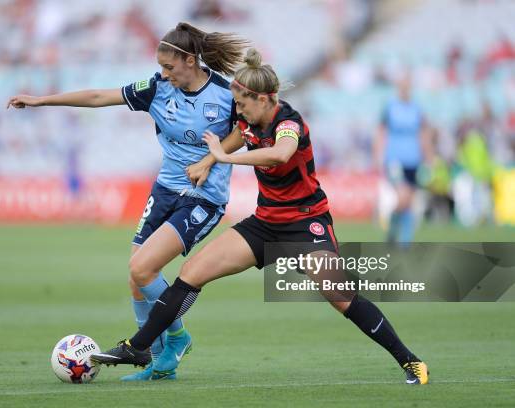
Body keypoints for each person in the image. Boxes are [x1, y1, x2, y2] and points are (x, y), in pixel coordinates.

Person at [91, 49, 430, 385]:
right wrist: (208, 162)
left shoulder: (289, 123)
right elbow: (234, 140)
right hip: (265, 223)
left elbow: (279, 155)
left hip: (305, 225)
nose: (238, 111)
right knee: (192, 272)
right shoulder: (248, 121)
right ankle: (138, 347)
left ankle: (410, 361)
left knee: (340, 297)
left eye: (243, 104)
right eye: (236, 104)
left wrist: (222, 157)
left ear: (265, 99)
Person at [7, 22, 249, 381]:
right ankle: (157, 360)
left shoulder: (225, 93)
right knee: (137, 277)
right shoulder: (157, 88)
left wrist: (209, 159)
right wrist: (43, 100)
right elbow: (99, 97)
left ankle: (175, 340)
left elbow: (244, 133)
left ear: (189, 59)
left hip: (203, 198)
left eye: (170, 67)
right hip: (165, 190)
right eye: (161, 67)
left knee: (142, 268)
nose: (163, 74)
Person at [373, 75, 433, 247]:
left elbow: (424, 134)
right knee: (403, 197)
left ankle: (402, 241)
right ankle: (399, 238)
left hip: (414, 160)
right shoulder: (390, 106)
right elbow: (380, 130)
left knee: (409, 201)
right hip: (394, 159)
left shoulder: (417, 108)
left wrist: (429, 157)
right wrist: (377, 154)